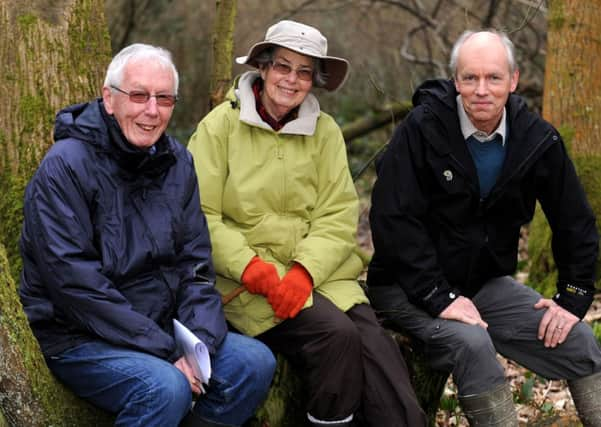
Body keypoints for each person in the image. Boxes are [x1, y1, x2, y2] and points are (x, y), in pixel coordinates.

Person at [19, 43, 276, 427]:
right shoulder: (65, 166)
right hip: (78, 334)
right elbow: (75, 286)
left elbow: (197, 265)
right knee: (164, 387)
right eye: (138, 95)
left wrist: (198, 342)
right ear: (109, 98)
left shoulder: (178, 161)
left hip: (161, 325)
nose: (151, 110)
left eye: (164, 99)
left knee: (255, 364)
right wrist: (166, 350)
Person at [187, 20, 426, 427]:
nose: (291, 80)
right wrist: (252, 269)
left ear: (314, 81)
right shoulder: (219, 128)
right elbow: (198, 215)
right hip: (247, 285)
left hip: (319, 278)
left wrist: (304, 271)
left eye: (303, 72)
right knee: (337, 338)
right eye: (283, 66)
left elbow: (337, 215)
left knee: (379, 352)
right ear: (262, 67)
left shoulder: (326, 132)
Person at [367, 29, 601, 426]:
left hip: (483, 285)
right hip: (405, 287)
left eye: (493, 77)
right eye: (470, 78)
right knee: (472, 343)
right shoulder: (421, 129)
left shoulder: (536, 139)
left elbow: (574, 221)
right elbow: (392, 219)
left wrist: (573, 296)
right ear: (456, 81)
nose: (481, 89)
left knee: (579, 340)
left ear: (513, 80)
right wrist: (439, 296)